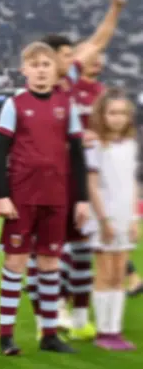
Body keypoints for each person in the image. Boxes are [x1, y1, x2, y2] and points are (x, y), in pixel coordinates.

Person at [25, 0, 126, 336]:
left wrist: (115, 9)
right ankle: (47, 317)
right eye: (68, 56)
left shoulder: (70, 84)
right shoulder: (35, 92)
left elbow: (97, 42)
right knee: (49, 251)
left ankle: (77, 316)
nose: (76, 60)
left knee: (79, 246)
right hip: (45, 180)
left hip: (77, 178)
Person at [0, 42, 88, 356]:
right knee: (15, 264)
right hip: (22, 197)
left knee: (50, 265)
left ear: (55, 69)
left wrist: (82, 199)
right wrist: (3, 195)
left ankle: (49, 333)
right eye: (35, 64)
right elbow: (1, 153)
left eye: (47, 64)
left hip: (57, 196)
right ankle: (6, 336)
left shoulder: (66, 104)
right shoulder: (15, 104)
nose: (41, 69)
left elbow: (76, 156)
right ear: (25, 70)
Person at [83, 88, 137, 351]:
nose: (118, 118)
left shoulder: (131, 145)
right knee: (104, 274)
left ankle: (115, 329)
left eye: (123, 113)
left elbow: (133, 184)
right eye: (112, 112)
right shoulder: (95, 146)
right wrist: (103, 219)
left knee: (119, 274)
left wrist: (135, 218)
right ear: (102, 115)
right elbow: (92, 185)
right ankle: (103, 330)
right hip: (103, 217)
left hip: (126, 217)